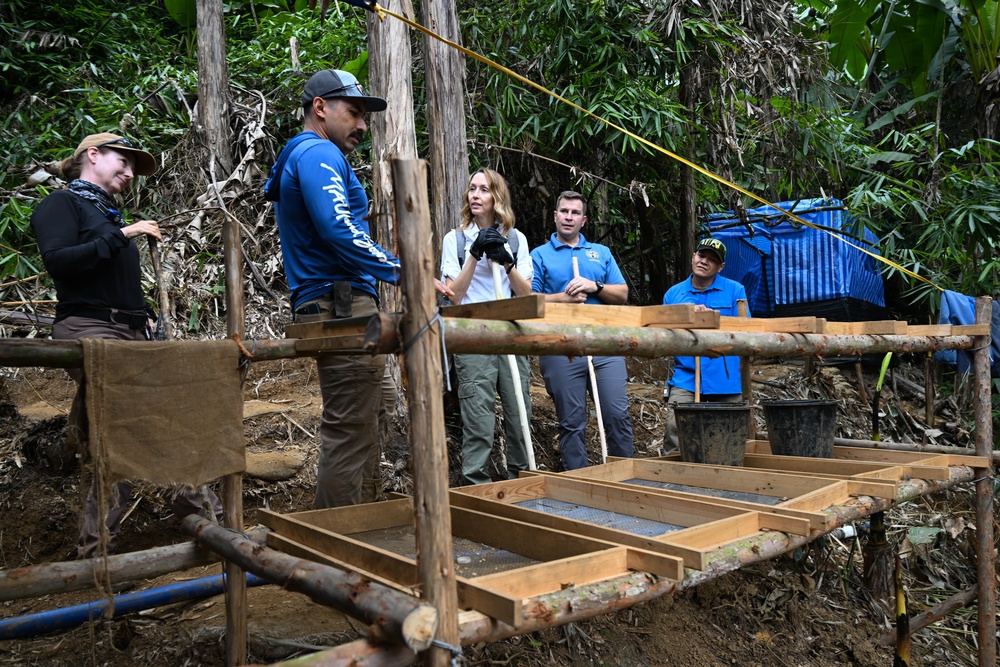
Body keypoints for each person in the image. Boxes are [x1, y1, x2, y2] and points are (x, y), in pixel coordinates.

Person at [30, 132, 223, 558]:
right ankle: (109, 551)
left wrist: (143, 314)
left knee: (155, 422)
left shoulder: (106, 214)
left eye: (134, 168)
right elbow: (59, 261)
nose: (130, 173)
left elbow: (110, 282)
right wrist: (125, 234)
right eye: (125, 161)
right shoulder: (62, 204)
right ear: (93, 155)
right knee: (135, 428)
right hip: (89, 331)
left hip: (129, 332)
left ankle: (198, 524)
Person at [267, 69, 451, 506]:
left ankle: (363, 520)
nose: (363, 125)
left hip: (341, 304)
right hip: (339, 306)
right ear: (320, 108)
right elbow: (337, 228)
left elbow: (339, 226)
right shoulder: (318, 154)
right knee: (351, 427)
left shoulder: (314, 156)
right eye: (353, 113)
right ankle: (336, 544)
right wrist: (407, 272)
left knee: (375, 412)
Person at [440, 168, 533, 484]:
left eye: (484, 189)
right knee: (478, 416)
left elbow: (526, 296)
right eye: (472, 189)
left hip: (509, 332)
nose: (475, 195)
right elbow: (454, 297)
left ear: (497, 197)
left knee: (520, 413)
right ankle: (475, 484)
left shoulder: (517, 239)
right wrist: (475, 253)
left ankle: (523, 481)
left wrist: (507, 262)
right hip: (472, 333)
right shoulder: (454, 239)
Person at [530, 190, 634, 470]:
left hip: (604, 344)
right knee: (572, 422)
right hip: (560, 346)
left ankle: (626, 476)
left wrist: (594, 286)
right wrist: (562, 298)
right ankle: (578, 483)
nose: (568, 217)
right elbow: (529, 301)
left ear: (584, 220)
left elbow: (622, 294)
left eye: (575, 213)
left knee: (616, 413)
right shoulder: (539, 255)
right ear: (555, 216)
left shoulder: (601, 253)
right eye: (564, 211)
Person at [662, 237, 748, 450]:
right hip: (687, 375)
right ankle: (672, 478)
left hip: (725, 376)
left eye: (712, 259)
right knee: (675, 428)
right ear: (693, 257)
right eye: (701, 255)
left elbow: (747, 333)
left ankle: (727, 477)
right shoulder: (674, 294)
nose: (704, 261)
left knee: (730, 435)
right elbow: (662, 334)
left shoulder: (735, 291)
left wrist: (714, 319)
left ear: (721, 267)